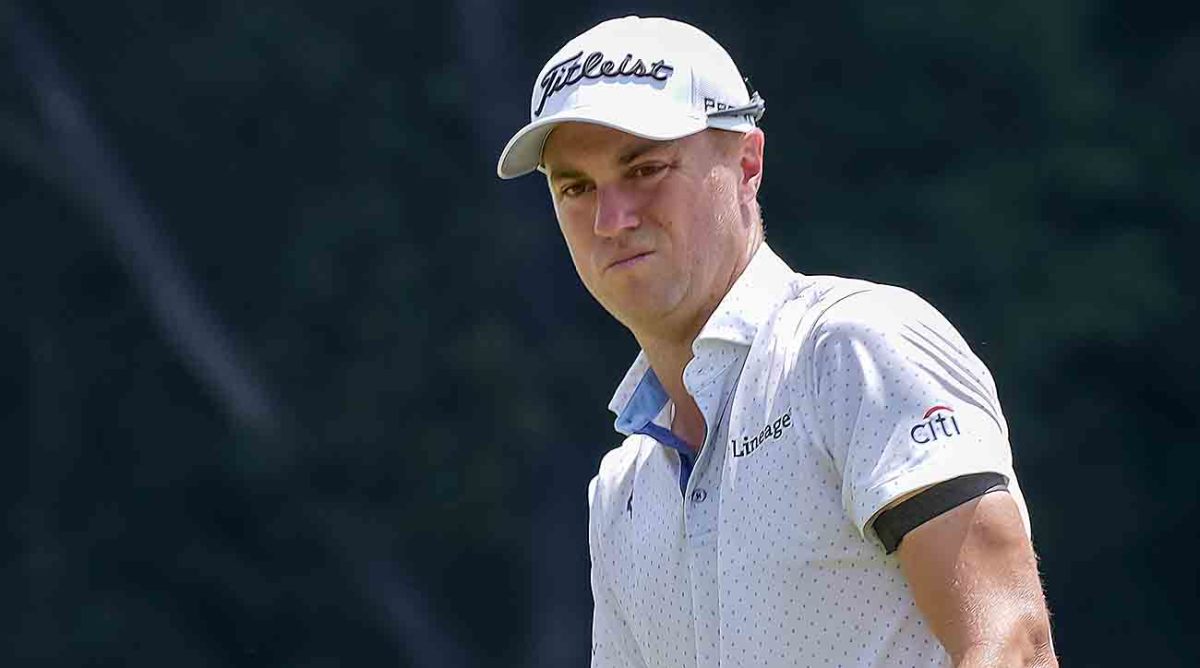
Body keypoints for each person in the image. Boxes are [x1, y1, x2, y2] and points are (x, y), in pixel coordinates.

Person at [497, 15, 1057, 668]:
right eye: (576, 187)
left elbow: (1013, 645)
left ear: (747, 163)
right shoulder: (621, 488)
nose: (612, 218)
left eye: (646, 167)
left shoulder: (854, 349)